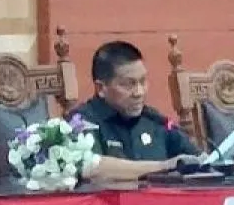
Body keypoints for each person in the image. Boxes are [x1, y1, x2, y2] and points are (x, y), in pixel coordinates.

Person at [70, 41, 205, 180]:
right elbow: (91, 166)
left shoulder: (155, 120)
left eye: (143, 81)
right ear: (101, 88)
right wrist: (164, 166)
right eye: (129, 84)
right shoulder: (81, 121)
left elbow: (199, 160)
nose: (139, 92)